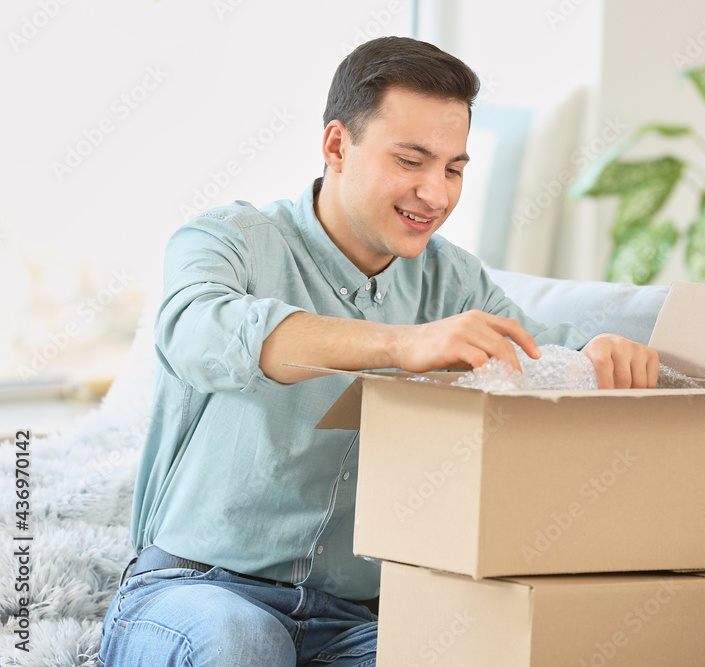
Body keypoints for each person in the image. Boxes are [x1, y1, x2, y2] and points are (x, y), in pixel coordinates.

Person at [98, 36, 659, 666]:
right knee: (242, 644)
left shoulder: (454, 281)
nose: (437, 194)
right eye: (411, 161)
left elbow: (541, 353)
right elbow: (201, 331)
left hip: (353, 619)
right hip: (195, 591)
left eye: (453, 168)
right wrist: (403, 344)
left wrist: (600, 353)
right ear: (338, 145)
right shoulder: (230, 241)